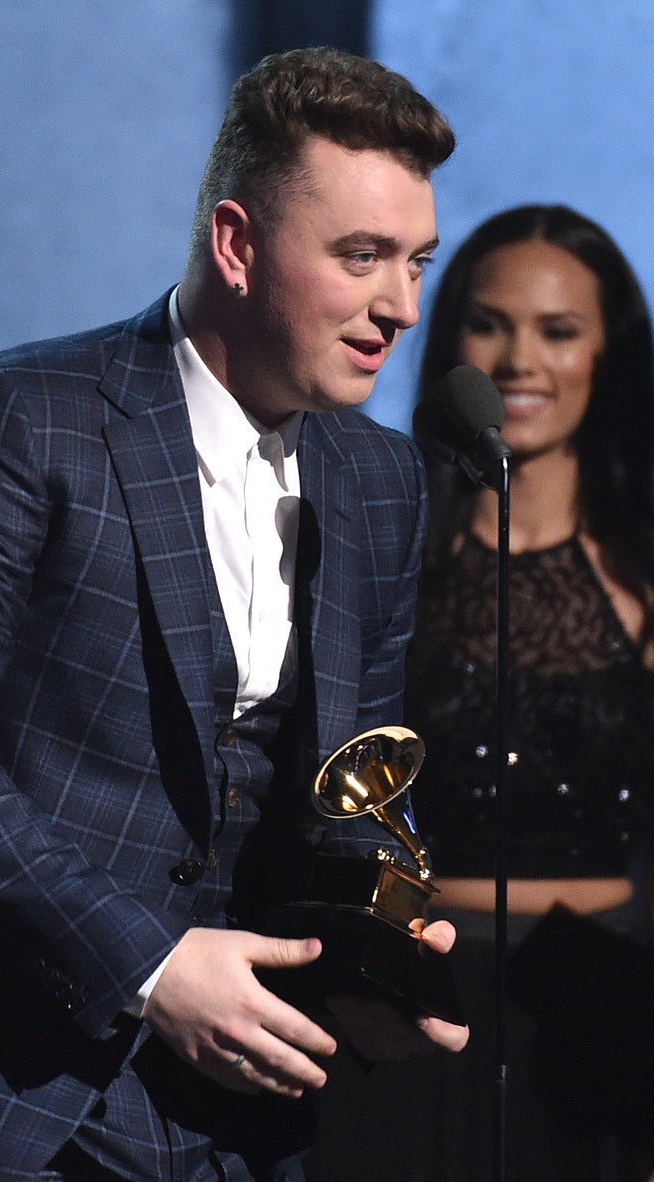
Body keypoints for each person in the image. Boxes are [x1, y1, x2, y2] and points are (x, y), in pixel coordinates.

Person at [0, 47, 468, 1182]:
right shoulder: (18, 419)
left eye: (417, 262)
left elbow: (354, 779)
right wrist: (146, 965)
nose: (404, 308)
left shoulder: (385, 481)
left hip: (232, 1109)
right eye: (362, 257)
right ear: (235, 245)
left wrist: (376, 948)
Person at [307, 203, 654, 1182]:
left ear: (606, 354)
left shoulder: (642, 572)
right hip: (397, 1013)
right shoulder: (376, 546)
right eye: (489, 323)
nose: (518, 360)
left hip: (598, 1028)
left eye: (557, 330)